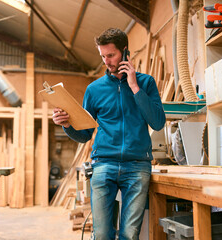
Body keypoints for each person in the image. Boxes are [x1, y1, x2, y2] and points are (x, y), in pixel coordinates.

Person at [52, 28, 166, 239]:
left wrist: (134, 86)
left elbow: (158, 123)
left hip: (138, 166)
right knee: (102, 233)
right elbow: (84, 135)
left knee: (130, 235)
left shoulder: (147, 83)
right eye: (103, 56)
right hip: (103, 164)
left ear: (125, 52)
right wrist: (67, 125)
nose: (107, 61)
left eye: (111, 55)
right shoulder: (94, 90)